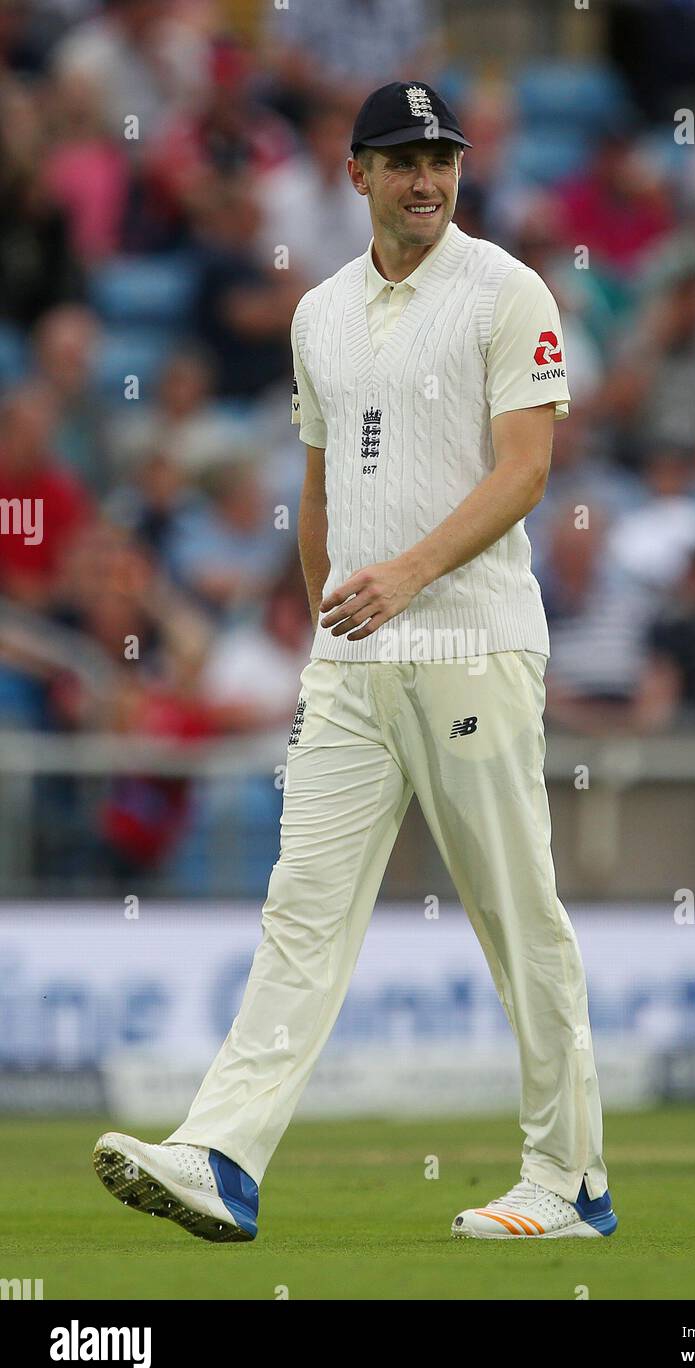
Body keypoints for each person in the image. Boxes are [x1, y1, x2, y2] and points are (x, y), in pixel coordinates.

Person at [93, 81, 616, 1245]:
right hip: (353, 662)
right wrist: (328, 603)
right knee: (301, 913)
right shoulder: (318, 313)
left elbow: (525, 470)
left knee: (514, 912)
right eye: (402, 161)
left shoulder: (505, 289)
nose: (426, 179)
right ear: (356, 176)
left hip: (471, 644)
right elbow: (319, 484)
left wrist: (407, 577)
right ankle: (221, 1156)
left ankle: (568, 1178)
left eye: (442, 159)